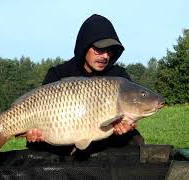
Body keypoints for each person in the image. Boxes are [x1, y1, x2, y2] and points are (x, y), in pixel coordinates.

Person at [26, 14, 144, 156]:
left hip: (106, 144)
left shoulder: (118, 77)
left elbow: (129, 115)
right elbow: (38, 122)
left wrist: (127, 128)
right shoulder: (58, 74)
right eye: (99, 49)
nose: (105, 56)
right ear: (84, 47)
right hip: (62, 141)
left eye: (109, 50)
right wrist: (34, 135)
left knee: (135, 141)